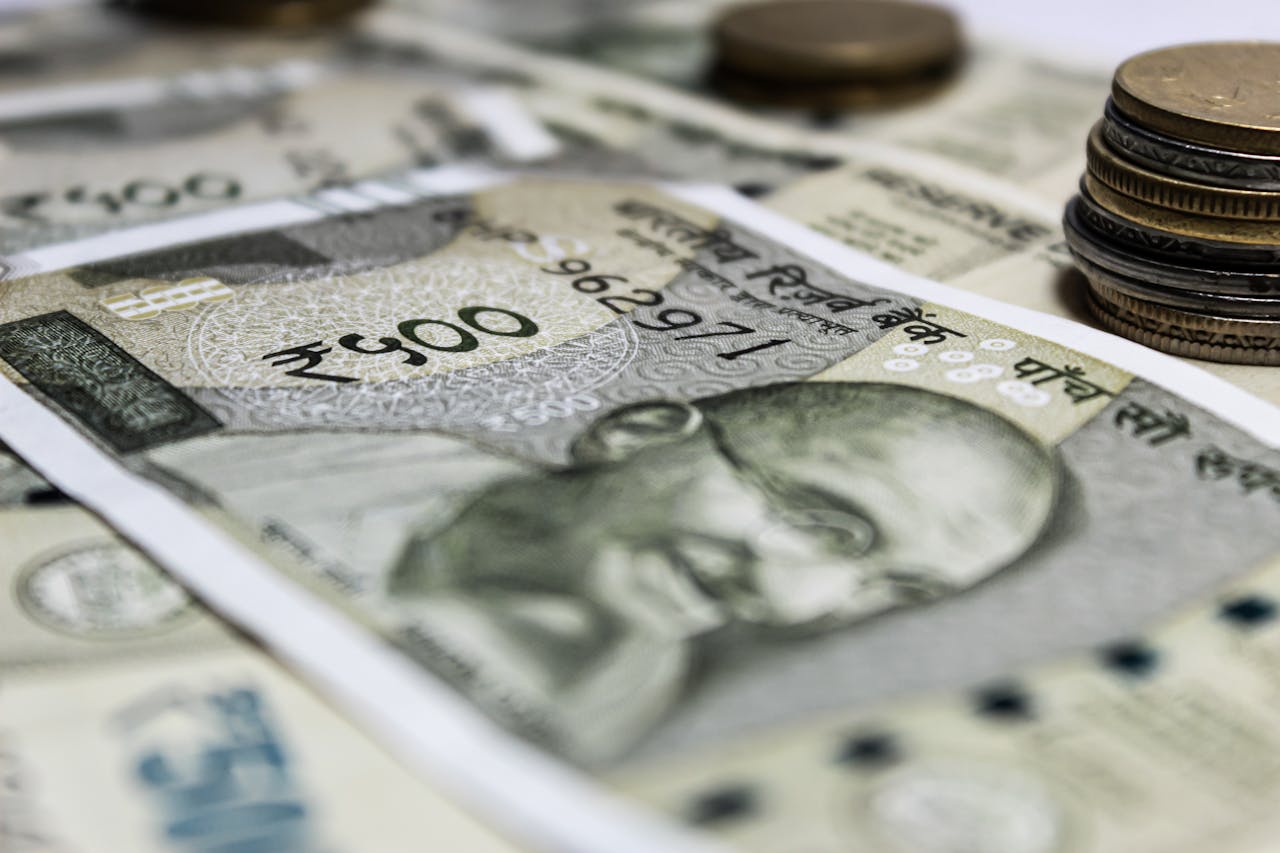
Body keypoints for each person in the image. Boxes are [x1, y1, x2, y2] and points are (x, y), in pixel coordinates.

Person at [389, 381, 1059, 763]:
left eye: (892, 588)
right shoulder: (311, 472)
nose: (793, 601)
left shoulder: (629, 720)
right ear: (644, 433)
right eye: (815, 517)